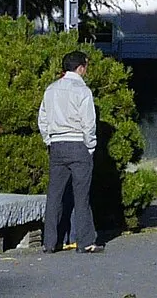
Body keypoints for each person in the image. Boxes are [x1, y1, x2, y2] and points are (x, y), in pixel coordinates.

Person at [38, 50, 101, 254]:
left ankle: (50, 242)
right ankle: (85, 241)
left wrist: (49, 139)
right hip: (78, 145)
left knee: (54, 195)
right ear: (81, 67)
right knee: (81, 196)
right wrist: (90, 146)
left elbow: (43, 119)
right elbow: (88, 124)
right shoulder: (83, 91)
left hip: (57, 145)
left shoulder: (51, 89)